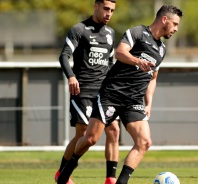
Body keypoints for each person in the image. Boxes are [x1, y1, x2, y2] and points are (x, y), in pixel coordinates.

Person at [57, 4, 183, 184]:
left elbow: (153, 77)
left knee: (144, 142)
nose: (176, 29)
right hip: (112, 94)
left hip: (134, 100)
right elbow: (120, 52)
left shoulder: (161, 49)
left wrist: (149, 103)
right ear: (165, 20)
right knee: (90, 138)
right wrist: (137, 61)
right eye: (175, 24)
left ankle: (118, 182)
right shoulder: (137, 33)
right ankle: (64, 175)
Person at [55, 0, 120, 184]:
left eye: (112, 11)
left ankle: (110, 179)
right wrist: (71, 76)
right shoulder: (79, 29)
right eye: (106, 9)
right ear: (96, 6)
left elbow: (109, 62)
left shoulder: (110, 33)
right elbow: (64, 55)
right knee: (83, 136)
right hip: (83, 91)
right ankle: (62, 173)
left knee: (114, 130)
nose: (109, 13)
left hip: (105, 93)